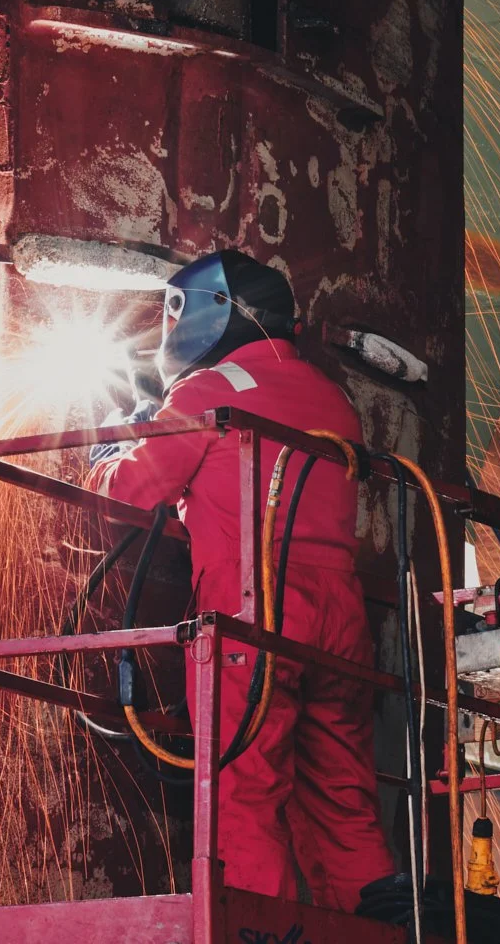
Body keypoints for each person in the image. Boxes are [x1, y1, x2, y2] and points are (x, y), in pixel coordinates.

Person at [86, 249, 395, 912]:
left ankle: (253, 933)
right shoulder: (334, 399)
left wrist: (107, 449)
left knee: (242, 793)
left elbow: (131, 492)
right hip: (341, 624)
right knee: (343, 803)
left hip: (254, 612)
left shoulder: (209, 390)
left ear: (212, 313)